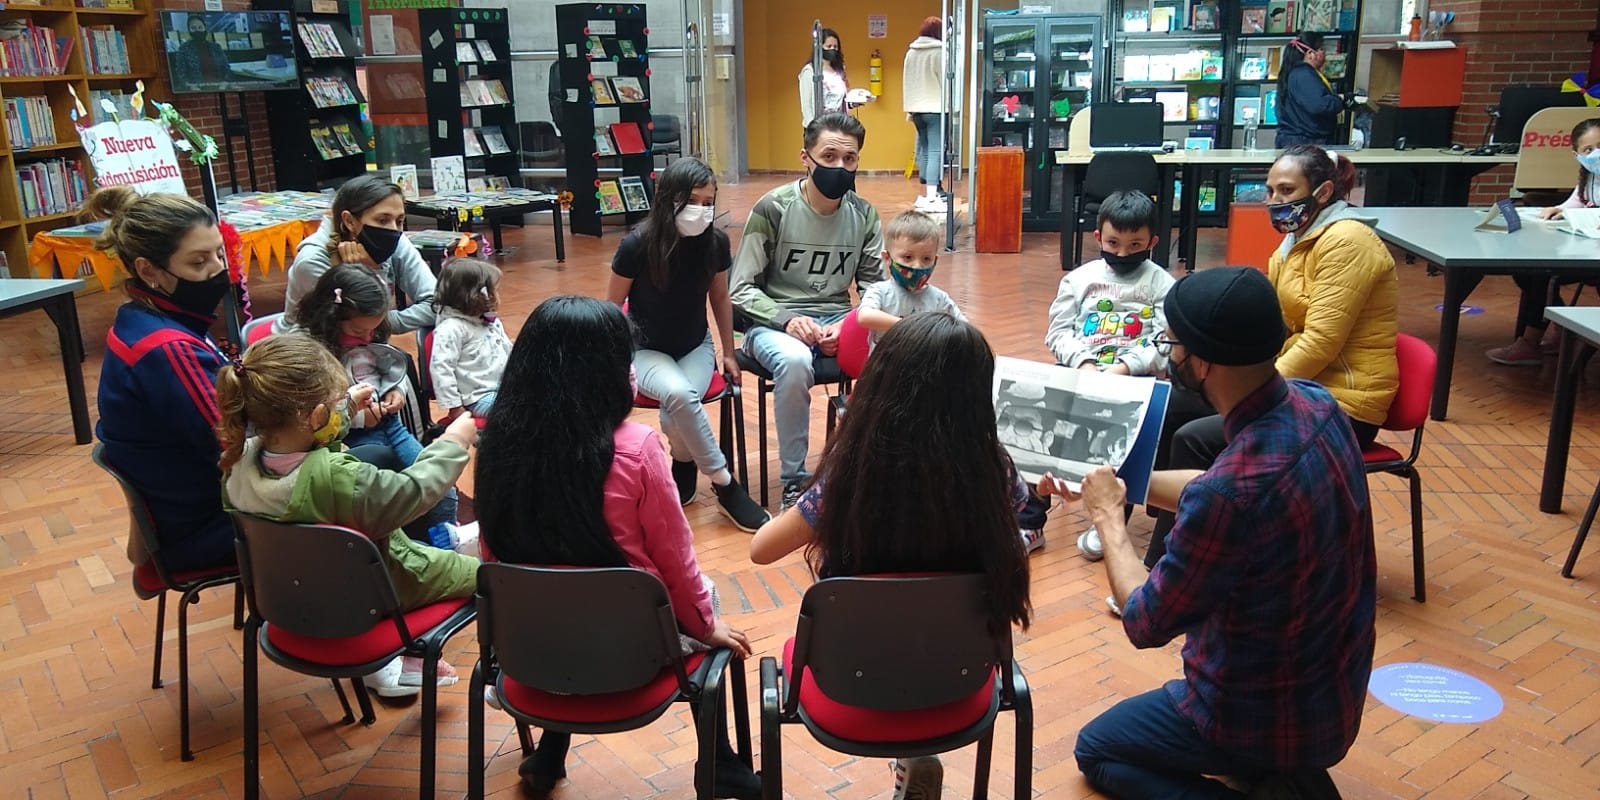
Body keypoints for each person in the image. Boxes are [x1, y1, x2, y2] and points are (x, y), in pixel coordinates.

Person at [1056, 267, 1375, 799]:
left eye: (1172, 345)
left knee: (1098, 749)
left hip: (1249, 715)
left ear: (1201, 361)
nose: (1169, 355)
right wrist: (1117, 486)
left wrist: (1110, 518)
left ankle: (1263, 772)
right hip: (1333, 694)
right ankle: (1280, 777)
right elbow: (1216, 484)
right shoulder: (1317, 405)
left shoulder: (1229, 499)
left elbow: (1143, 619)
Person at [473, 296, 762, 800]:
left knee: (561, 585)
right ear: (607, 373)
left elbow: (493, 553)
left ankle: (550, 753)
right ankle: (720, 763)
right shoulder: (636, 448)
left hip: (534, 651)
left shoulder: (497, 440)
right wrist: (703, 624)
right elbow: (676, 563)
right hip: (633, 654)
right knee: (701, 597)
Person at [750, 312, 1033, 800]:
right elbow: (1021, 514)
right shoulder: (995, 471)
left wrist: (814, 502)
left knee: (863, 624)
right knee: (935, 608)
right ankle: (915, 752)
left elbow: (761, 550)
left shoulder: (852, 473)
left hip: (853, 671)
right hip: (957, 668)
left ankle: (908, 755)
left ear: (882, 385)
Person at [1144, 145, 1396, 570]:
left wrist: (1252, 390)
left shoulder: (1349, 242)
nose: (1274, 202)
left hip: (1343, 403)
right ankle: (1175, 519)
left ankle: (1170, 562)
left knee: (1194, 437)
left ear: (1323, 191)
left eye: (1285, 191)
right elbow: (1275, 327)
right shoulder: (1293, 242)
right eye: (1269, 191)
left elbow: (1320, 343)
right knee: (1168, 402)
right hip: (1298, 385)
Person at [218, 334, 480, 697]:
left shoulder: (237, 463)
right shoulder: (338, 478)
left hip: (293, 600)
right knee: (492, 576)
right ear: (314, 415)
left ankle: (407, 656)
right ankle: (419, 656)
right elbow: (413, 492)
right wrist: (454, 442)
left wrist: (346, 409)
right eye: (332, 405)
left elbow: (306, 435)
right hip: (373, 594)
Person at [730, 113, 884, 510]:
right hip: (772, 323)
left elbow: (874, 289)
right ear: (806, 157)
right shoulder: (774, 208)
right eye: (829, 156)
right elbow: (741, 288)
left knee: (896, 353)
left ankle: (865, 471)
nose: (839, 167)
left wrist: (851, 326)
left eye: (849, 159)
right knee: (797, 361)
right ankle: (795, 482)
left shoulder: (864, 215)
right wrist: (787, 319)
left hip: (837, 318)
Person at [606, 157, 769, 531]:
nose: (701, 210)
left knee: (675, 407)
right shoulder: (637, 244)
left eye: (708, 202)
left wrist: (728, 352)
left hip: (696, 346)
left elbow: (721, 299)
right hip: (645, 349)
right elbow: (611, 309)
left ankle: (683, 463)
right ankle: (726, 486)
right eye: (692, 200)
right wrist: (611, 361)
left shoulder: (716, 243)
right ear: (667, 199)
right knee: (679, 395)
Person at [1043, 190, 1194, 563]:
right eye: (1113, 243)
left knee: (1126, 438)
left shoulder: (1161, 284)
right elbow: (1058, 332)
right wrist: (1085, 364)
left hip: (1138, 379)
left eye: (1135, 245)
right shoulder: (1079, 280)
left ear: (1152, 243)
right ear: (1098, 238)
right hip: (1083, 371)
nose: (1123, 253)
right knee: (1041, 421)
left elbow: (1165, 340)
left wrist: (1124, 367)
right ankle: (1030, 519)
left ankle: (1111, 517)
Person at [91, 187, 237, 572]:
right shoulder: (168, 349)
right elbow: (237, 451)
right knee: (368, 476)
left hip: (195, 507)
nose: (218, 270)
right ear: (148, 270)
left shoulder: (142, 318)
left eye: (219, 253)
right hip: (206, 527)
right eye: (199, 261)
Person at [292, 264, 458, 538]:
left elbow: (386, 369)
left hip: (389, 424)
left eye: (374, 330)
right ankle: (410, 546)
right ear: (330, 318)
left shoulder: (368, 333)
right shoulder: (309, 354)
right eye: (359, 333)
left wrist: (396, 391)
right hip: (344, 439)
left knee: (439, 485)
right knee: (385, 495)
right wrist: (356, 414)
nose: (368, 338)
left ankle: (443, 538)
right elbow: (311, 415)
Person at [1486, 118, 1600, 366]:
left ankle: (1530, 342)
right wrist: (1557, 209)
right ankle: (1559, 328)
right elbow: (1577, 202)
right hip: (1587, 251)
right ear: (1577, 155)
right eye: (1588, 150)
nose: (1596, 155)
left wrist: (1575, 215)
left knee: (1542, 274)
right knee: (1526, 272)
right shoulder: (1590, 177)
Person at [280, 175, 437, 334]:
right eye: (382, 220)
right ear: (349, 221)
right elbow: (359, 329)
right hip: (306, 347)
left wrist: (390, 322)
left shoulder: (395, 239)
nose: (394, 229)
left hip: (359, 347)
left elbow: (439, 304)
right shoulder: (313, 260)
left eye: (399, 221)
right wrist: (371, 273)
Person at [857, 210, 964, 348]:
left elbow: (963, 328)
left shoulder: (939, 299)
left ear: (935, 260)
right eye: (907, 257)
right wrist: (911, 327)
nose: (917, 266)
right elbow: (864, 316)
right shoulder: (879, 291)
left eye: (926, 259)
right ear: (887, 258)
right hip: (886, 367)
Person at [430, 258, 512, 419]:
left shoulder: (488, 320)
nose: (496, 294)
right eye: (492, 290)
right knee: (518, 412)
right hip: (478, 398)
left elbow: (507, 348)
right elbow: (441, 369)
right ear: (474, 295)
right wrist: (454, 407)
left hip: (505, 388)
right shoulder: (451, 329)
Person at [903, 17, 947, 211]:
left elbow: (907, 81)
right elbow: (946, 80)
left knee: (926, 150)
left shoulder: (911, 53)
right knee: (936, 150)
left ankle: (928, 193)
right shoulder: (940, 52)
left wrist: (910, 108)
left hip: (916, 108)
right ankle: (932, 196)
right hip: (935, 107)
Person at [1274, 33, 1343, 147]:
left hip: (1296, 141)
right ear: (1310, 53)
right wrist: (1339, 100)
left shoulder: (1294, 72)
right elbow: (1318, 105)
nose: (1325, 53)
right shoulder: (1304, 74)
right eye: (1321, 49)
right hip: (1305, 143)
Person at [798, 27, 848, 128]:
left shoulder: (839, 70)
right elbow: (806, 105)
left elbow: (840, 101)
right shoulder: (810, 71)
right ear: (820, 47)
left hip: (838, 126)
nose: (832, 49)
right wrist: (814, 129)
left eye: (835, 47)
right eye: (828, 46)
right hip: (818, 128)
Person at [172, 15, 233, 90]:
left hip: (220, 87)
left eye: (200, 27)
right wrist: (190, 86)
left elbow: (226, 68)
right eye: (193, 28)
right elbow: (180, 73)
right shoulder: (184, 49)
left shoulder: (216, 47)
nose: (197, 30)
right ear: (189, 31)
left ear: (205, 28)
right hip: (196, 89)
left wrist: (225, 82)